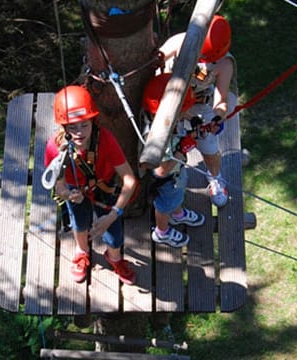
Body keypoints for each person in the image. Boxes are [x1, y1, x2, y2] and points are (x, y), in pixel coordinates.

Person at [44, 85, 137, 285]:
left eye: (84, 125)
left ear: (93, 121)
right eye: (72, 127)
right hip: (75, 190)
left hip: (104, 189)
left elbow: (129, 179)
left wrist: (113, 215)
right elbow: (58, 185)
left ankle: (115, 257)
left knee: (114, 234)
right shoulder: (55, 147)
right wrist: (68, 195)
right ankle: (82, 251)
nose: (78, 133)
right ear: (62, 126)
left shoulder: (105, 140)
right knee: (80, 223)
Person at [159, 14, 237, 208]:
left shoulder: (224, 64)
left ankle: (215, 177)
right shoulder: (178, 43)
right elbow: (155, 63)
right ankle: (166, 183)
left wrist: (218, 117)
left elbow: (221, 100)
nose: (203, 61)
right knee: (166, 143)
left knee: (208, 147)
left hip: (202, 103)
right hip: (171, 97)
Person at [141, 73, 205, 248]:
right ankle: (162, 232)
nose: (185, 113)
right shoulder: (158, 138)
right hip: (167, 180)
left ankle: (177, 213)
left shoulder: (164, 120)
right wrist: (181, 150)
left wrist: (193, 121)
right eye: (182, 110)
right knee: (164, 206)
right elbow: (160, 171)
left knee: (176, 198)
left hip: (177, 172)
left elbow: (182, 115)